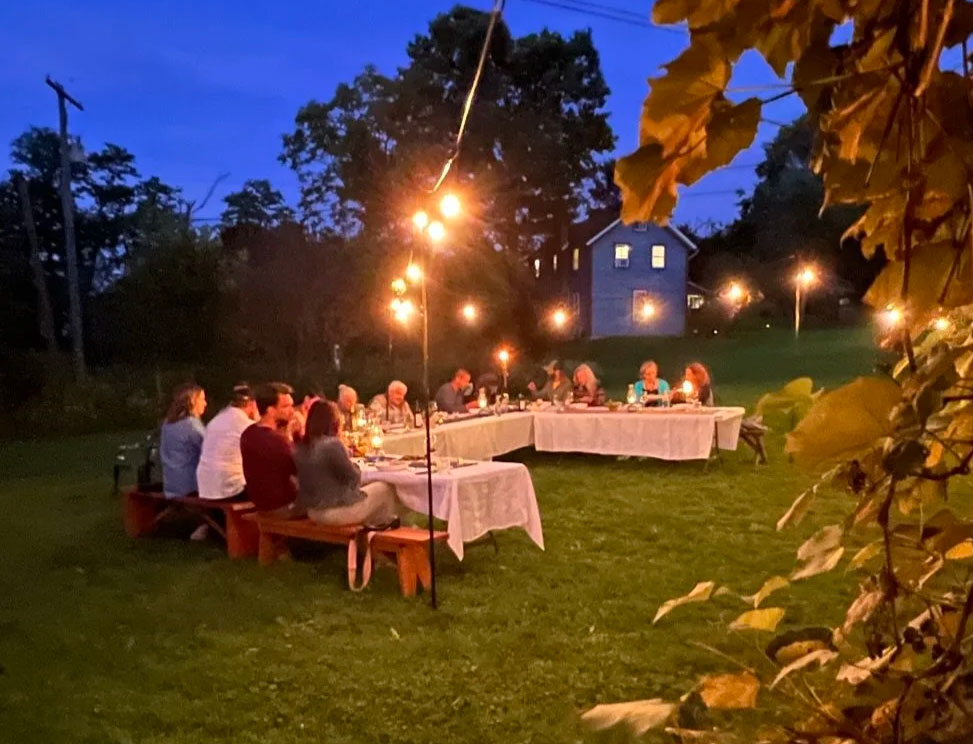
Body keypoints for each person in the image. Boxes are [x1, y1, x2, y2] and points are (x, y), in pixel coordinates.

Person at [295, 400, 401, 527]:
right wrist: (354, 465)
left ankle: (371, 529)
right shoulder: (331, 444)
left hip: (312, 511)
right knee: (384, 488)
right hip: (334, 512)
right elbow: (353, 478)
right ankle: (381, 532)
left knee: (370, 490)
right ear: (334, 421)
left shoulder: (301, 446)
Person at [240, 382, 302, 517]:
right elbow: (303, 469)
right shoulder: (276, 440)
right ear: (270, 410)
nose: (292, 411)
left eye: (292, 405)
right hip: (283, 507)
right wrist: (297, 435)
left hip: (262, 504)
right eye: (286, 406)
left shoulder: (248, 434)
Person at [196, 384, 257, 502]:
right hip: (230, 490)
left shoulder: (215, 420)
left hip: (206, 489)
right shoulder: (246, 424)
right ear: (252, 404)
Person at [160, 383, 207, 499]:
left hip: (171, 485)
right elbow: (210, 450)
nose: (205, 403)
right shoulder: (192, 425)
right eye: (202, 399)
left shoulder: (167, 423)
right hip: (190, 487)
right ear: (191, 401)